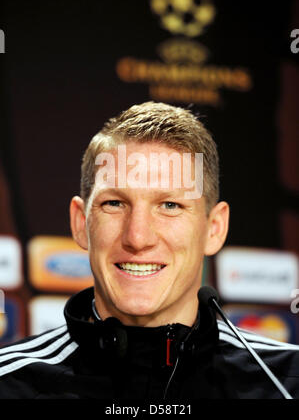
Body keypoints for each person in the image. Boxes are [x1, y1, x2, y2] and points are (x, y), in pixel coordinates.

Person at [0, 101, 298, 400]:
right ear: (81, 223)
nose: (138, 237)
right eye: (114, 203)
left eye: (170, 205)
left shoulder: (288, 381)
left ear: (214, 228)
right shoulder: (9, 384)